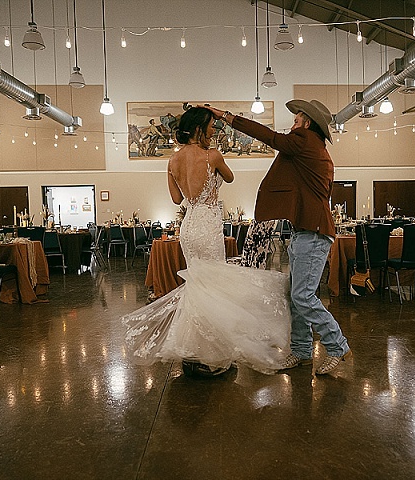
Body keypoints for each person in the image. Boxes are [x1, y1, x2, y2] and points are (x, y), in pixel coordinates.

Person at [121, 107, 290, 376]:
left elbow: (177, 200)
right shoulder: (213, 156)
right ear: (199, 128)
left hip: (189, 227)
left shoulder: (172, 161)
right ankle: (211, 351)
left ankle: (194, 352)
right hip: (209, 227)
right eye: (211, 126)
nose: (214, 130)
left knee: (198, 287)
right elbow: (231, 177)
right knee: (214, 289)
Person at [205, 100, 351, 375]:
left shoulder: (305, 141)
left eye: (296, 120)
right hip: (304, 232)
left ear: (308, 124)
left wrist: (227, 117)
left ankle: (336, 345)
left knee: (303, 296)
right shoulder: (309, 150)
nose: (292, 125)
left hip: (314, 233)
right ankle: (302, 350)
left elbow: (268, 136)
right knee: (295, 296)